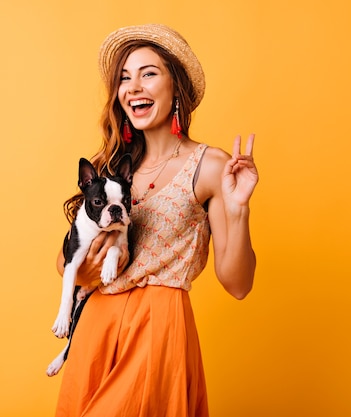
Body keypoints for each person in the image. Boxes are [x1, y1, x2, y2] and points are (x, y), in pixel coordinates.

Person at [54, 23, 259, 417]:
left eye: (148, 73)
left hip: (158, 331)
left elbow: (238, 285)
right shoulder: (111, 171)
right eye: (124, 78)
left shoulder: (210, 165)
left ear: (175, 86)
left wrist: (239, 208)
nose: (133, 87)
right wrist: (85, 271)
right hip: (96, 329)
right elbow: (65, 261)